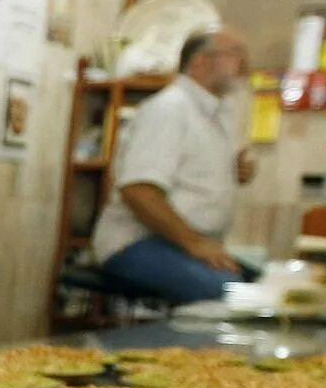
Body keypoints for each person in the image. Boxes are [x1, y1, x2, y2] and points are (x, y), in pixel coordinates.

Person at [91, 26, 261, 304]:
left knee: (268, 289)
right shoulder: (169, 109)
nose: (245, 65)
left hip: (182, 243)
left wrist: (243, 168)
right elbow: (139, 190)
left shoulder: (220, 114)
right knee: (232, 298)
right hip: (137, 243)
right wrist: (195, 244)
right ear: (199, 61)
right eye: (235, 54)